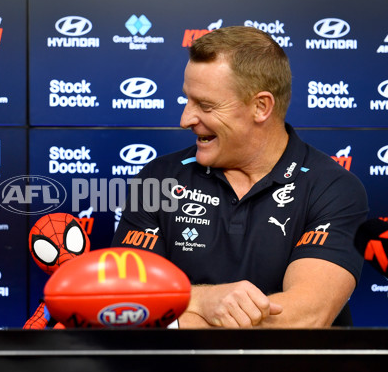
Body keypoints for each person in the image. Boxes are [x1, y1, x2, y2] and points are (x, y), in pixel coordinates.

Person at [111, 26, 368, 328]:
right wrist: (204, 300)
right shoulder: (159, 178)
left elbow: (306, 318)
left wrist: (181, 316)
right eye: (187, 100)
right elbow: (125, 301)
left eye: (205, 105)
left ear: (261, 107)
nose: (185, 119)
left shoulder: (333, 188)